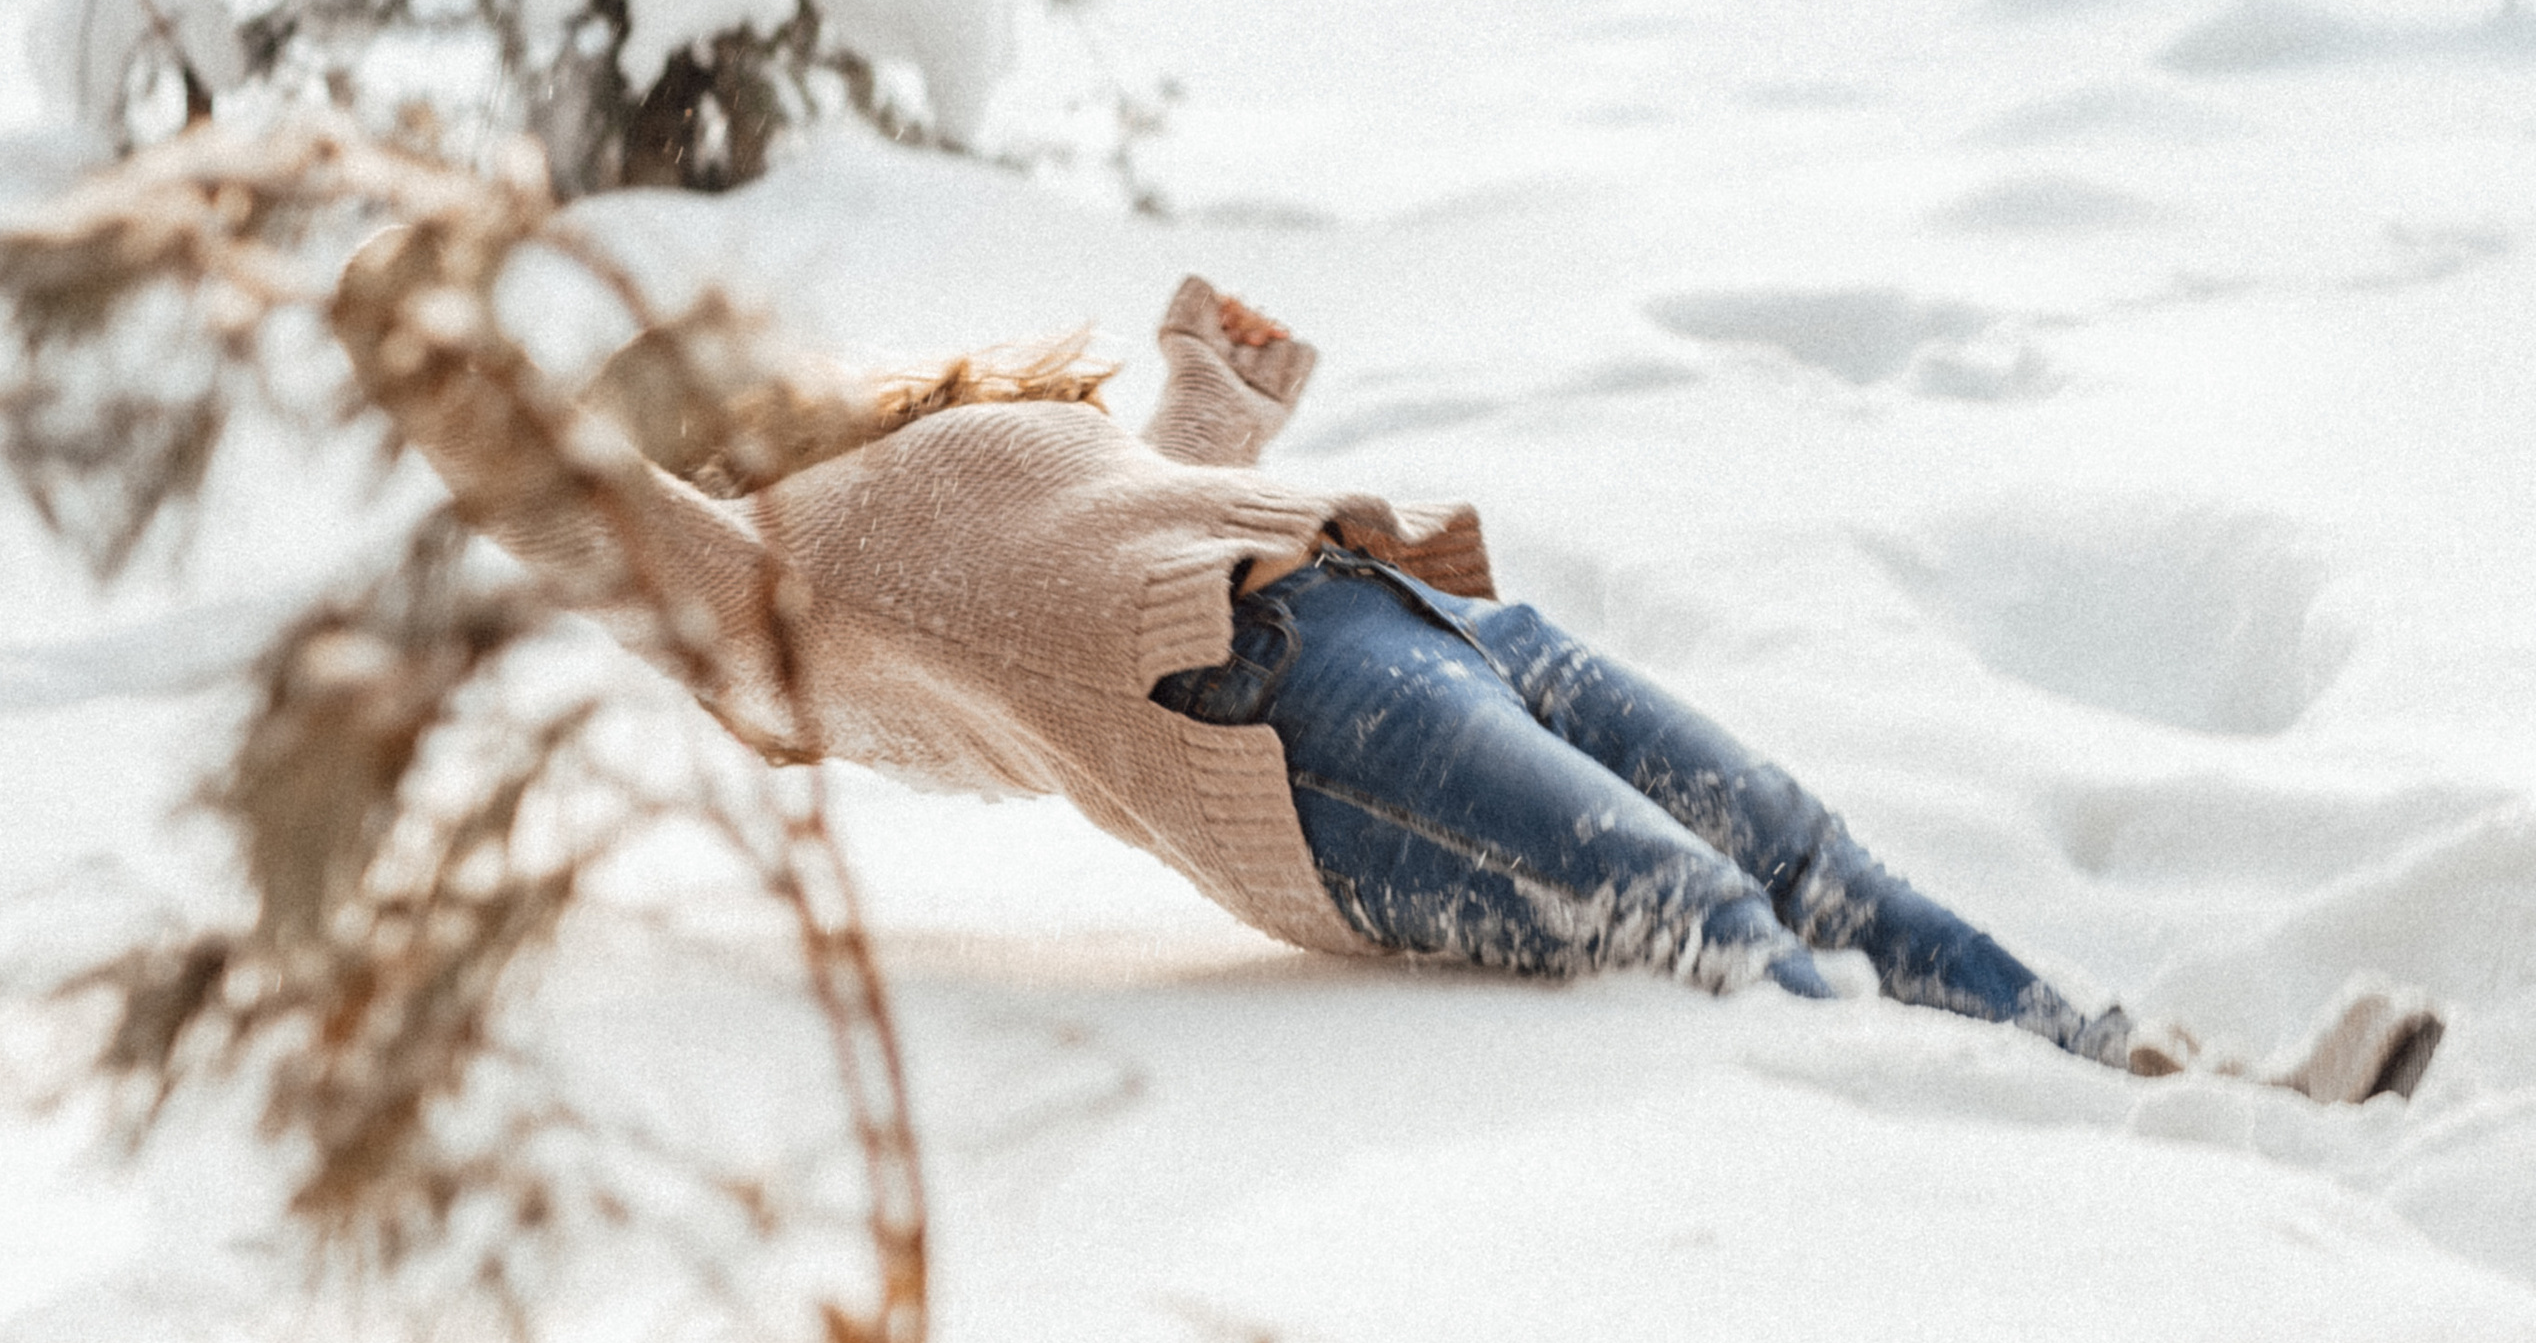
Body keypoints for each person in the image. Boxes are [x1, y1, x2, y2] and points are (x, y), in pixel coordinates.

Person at [335, 245, 2442, 1109]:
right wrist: (450, 386)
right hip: (1285, 739)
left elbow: (1147, 497)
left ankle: (2152, 1089)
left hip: (1407, 612)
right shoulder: (781, 601)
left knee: (1810, 861)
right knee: (1692, 924)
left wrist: (1203, 375)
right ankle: (1993, 1165)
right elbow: (609, 532)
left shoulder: (925, 464)